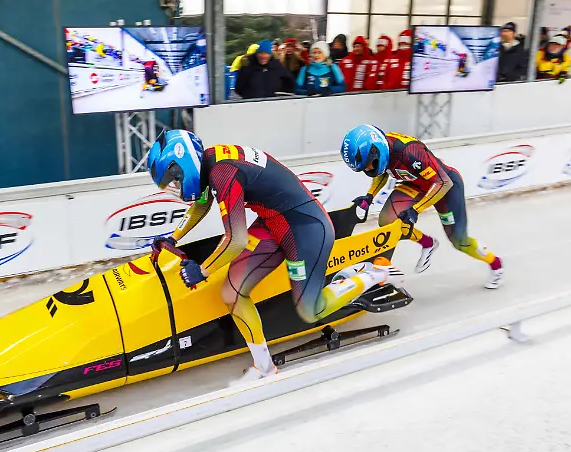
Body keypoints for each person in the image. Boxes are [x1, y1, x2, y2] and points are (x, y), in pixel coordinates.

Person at [148, 130, 404, 383]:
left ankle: (372, 274)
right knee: (232, 293)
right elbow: (202, 203)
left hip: (305, 228)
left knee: (311, 310)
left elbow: (235, 240)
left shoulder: (223, 173)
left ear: (182, 164)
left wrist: (202, 271)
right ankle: (265, 367)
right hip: (273, 222)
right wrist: (173, 237)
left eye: (174, 179)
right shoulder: (212, 162)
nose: (175, 187)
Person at [340, 125, 503, 289]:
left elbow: (444, 182)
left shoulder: (409, 152)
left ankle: (496, 265)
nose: (369, 169)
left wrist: (415, 210)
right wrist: (370, 196)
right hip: (416, 184)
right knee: (387, 220)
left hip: (446, 187)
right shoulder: (384, 150)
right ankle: (428, 243)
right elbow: (380, 172)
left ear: (377, 150)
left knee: (460, 241)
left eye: (369, 164)